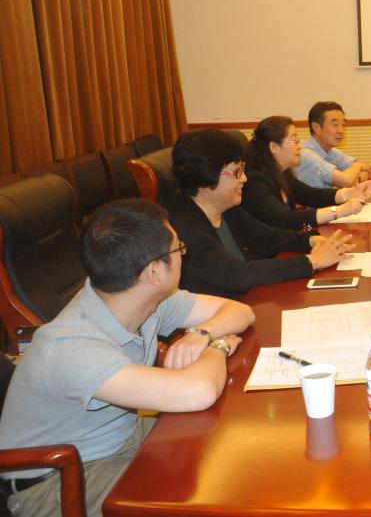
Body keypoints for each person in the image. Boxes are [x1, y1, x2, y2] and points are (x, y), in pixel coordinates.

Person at [0, 199, 255, 517]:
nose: (183, 255)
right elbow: (198, 391)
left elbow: (240, 311)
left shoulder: (142, 300)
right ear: (154, 272)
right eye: (179, 248)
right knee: (207, 496)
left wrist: (202, 333)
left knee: (228, 449)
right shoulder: (73, 347)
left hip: (120, 442)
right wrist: (217, 346)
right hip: (57, 480)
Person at [168, 129, 353, 299]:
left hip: (247, 299)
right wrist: (313, 261)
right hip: (220, 313)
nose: (244, 178)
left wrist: (312, 241)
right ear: (205, 176)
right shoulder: (183, 226)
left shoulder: (225, 208)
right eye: (236, 172)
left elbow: (264, 236)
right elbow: (234, 275)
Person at [242, 115, 371, 230]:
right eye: (294, 141)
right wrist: (339, 211)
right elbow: (284, 219)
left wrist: (351, 193)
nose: (299, 146)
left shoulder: (282, 172)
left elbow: (311, 195)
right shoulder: (255, 182)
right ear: (274, 147)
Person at [294, 101, 371, 188]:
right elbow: (346, 180)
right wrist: (358, 166)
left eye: (343, 124)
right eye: (335, 124)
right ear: (316, 127)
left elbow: (367, 170)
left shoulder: (331, 152)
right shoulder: (304, 154)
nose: (341, 130)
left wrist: (356, 178)